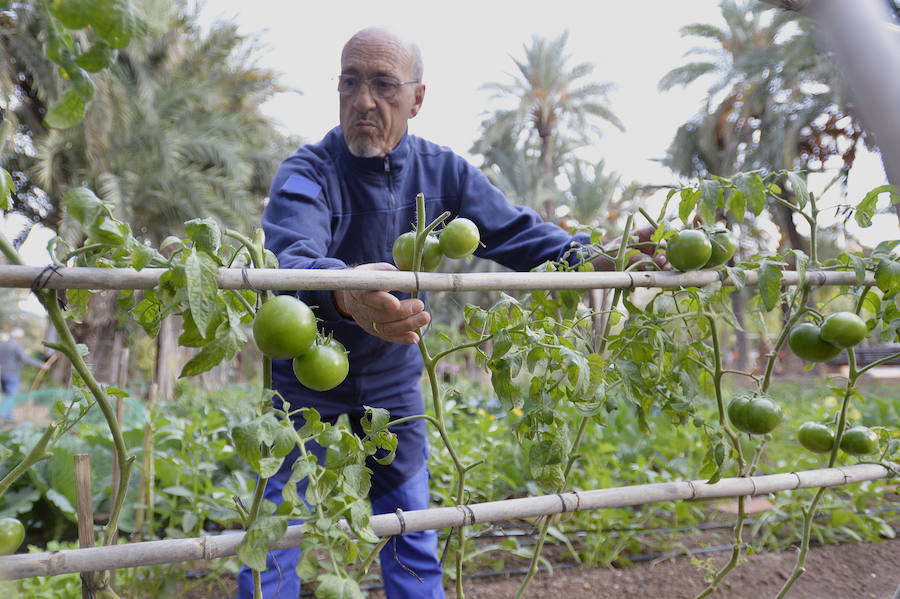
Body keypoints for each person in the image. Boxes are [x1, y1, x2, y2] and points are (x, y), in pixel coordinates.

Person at [238, 26, 666, 599]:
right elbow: (292, 255)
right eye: (351, 82)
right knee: (276, 531)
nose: (365, 100)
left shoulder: (444, 176)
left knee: (409, 530)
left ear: (416, 99)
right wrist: (344, 292)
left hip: (393, 382)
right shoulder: (308, 172)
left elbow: (521, 234)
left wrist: (598, 255)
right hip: (303, 383)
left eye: (384, 84)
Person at [0, 328, 43, 421]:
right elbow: (25, 359)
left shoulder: (2, 344)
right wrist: (41, 364)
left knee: (7, 394)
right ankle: (4, 415)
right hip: (12, 374)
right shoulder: (16, 345)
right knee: (11, 395)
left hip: (2, 374)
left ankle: (7, 415)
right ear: (18, 337)